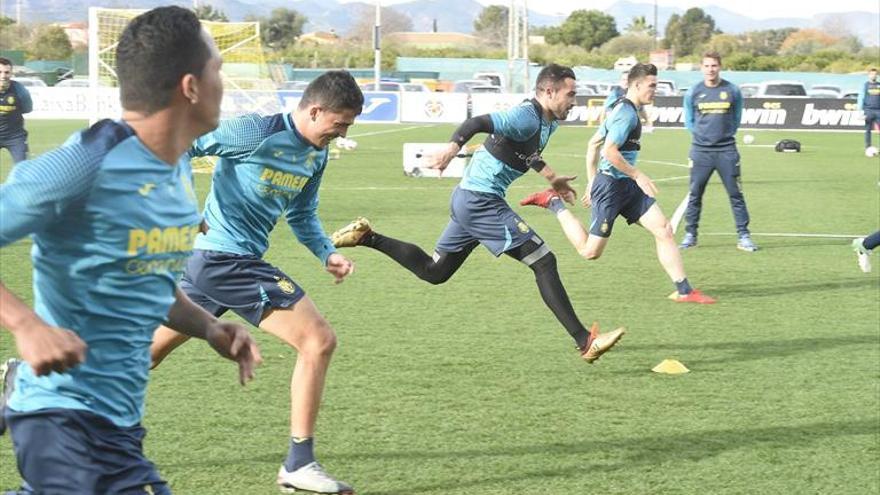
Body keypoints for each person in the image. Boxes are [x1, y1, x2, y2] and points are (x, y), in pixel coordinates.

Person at [0, 6, 261, 494]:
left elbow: (146, 283)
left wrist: (207, 326)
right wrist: (26, 325)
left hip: (117, 424)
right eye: (218, 71)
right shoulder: (86, 162)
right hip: (62, 414)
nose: (224, 85)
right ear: (191, 87)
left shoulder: (177, 167)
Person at [148, 70, 363, 494]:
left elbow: (301, 215)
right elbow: (178, 146)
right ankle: (299, 464)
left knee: (143, 355)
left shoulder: (315, 156)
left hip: (215, 266)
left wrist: (328, 253)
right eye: (340, 123)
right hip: (223, 258)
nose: (342, 133)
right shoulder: (254, 132)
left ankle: (31, 381)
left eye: (349, 126)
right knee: (318, 340)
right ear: (315, 110)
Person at [330, 64, 625, 363]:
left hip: (470, 199)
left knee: (435, 272)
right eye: (570, 94)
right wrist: (450, 148)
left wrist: (552, 178)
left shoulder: (547, 123)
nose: (574, 101)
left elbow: (527, 151)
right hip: (480, 201)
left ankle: (367, 237)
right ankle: (584, 341)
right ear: (549, 92)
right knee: (544, 261)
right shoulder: (525, 116)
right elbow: (476, 123)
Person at [519, 63, 716, 305]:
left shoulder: (623, 108)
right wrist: (636, 175)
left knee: (663, 229)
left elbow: (593, 144)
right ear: (636, 85)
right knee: (590, 252)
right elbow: (609, 152)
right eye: (652, 85)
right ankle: (554, 204)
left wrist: (592, 182)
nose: (655, 90)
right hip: (612, 187)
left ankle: (684, 290)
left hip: (624, 187)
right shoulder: (626, 113)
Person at [678, 52, 757, 252]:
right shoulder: (694, 92)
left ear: (720, 67)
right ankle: (691, 234)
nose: (710, 69)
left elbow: (737, 116)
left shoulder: (732, 90)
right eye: (707, 65)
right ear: (701, 68)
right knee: (695, 194)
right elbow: (689, 120)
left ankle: (744, 235)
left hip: (726, 151)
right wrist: (701, 137)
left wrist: (725, 135)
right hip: (700, 152)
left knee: (735, 194)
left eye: (714, 65)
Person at [0, 57, 33, 163]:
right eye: (0, 72)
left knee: (24, 169)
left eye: (6, 72)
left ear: (11, 74)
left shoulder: (20, 90)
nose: (3, 76)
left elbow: (27, 109)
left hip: (15, 137)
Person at [858, 67, 880, 153]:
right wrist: (860, 111)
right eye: (871, 74)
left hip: (879, 111)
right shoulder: (865, 85)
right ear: (868, 75)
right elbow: (861, 97)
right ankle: (868, 147)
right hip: (868, 110)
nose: (873, 76)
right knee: (868, 130)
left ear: (877, 75)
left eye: (875, 74)